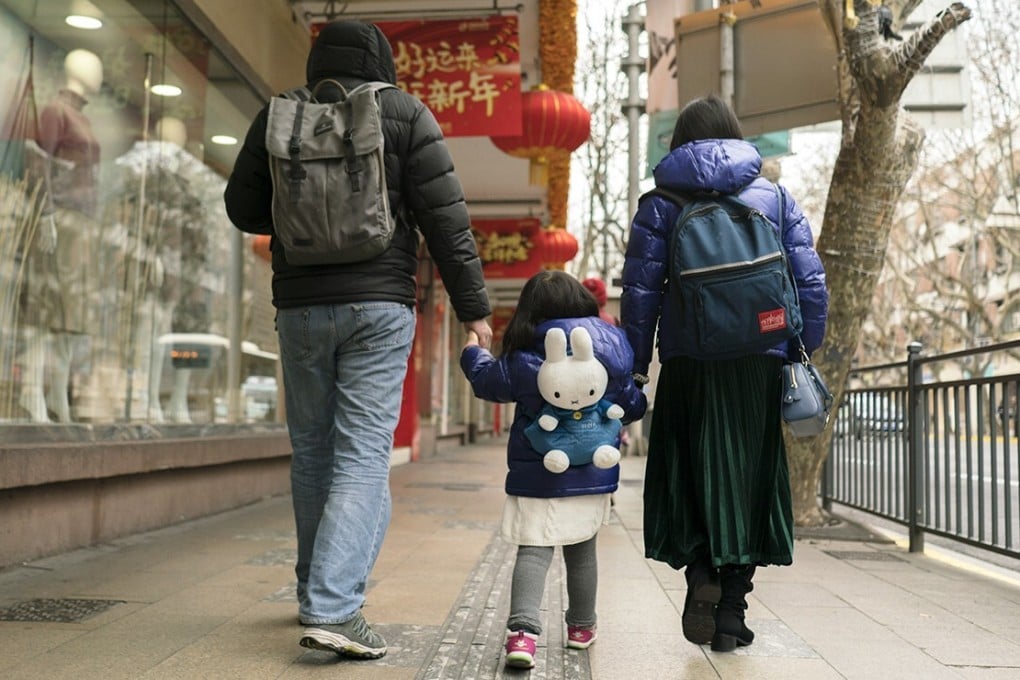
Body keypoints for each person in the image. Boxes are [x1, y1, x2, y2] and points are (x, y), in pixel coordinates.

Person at [224, 20, 493, 660]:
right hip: (379, 304)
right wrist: (473, 309)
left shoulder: (278, 114)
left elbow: (242, 208)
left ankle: (313, 592)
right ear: (384, 62)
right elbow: (446, 220)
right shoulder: (403, 113)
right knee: (363, 455)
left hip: (300, 309)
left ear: (318, 60)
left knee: (314, 452)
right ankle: (336, 609)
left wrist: (301, 213)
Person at [620, 95, 828, 652]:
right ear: (736, 137)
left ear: (678, 144)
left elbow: (639, 296)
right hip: (759, 363)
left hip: (690, 363)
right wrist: (800, 349)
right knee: (751, 481)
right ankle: (732, 613)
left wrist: (635, 370)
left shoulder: (660, 203)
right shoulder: (775, 196)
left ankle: (701, 579)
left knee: (692, 473)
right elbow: (810, 281)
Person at [460, 270, 646, 669]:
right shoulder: (611, 347)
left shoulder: (524, 353)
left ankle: (523, 636)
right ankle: (581, 628)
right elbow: (633, 406)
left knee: (534, 547)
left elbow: (485, 381)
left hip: (537, 473)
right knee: (582, 550)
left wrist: (472, 350)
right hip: (592, 475)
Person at [20, 48, 104, 423]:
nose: (99, 72)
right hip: (63, 220)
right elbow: (36, 159)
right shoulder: (55, 111)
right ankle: (32, 390)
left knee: (74, 311)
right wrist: (47, 214)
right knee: (49, 305)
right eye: (94, 65)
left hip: (81, 224)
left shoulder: (79, 117)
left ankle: (58, 392)